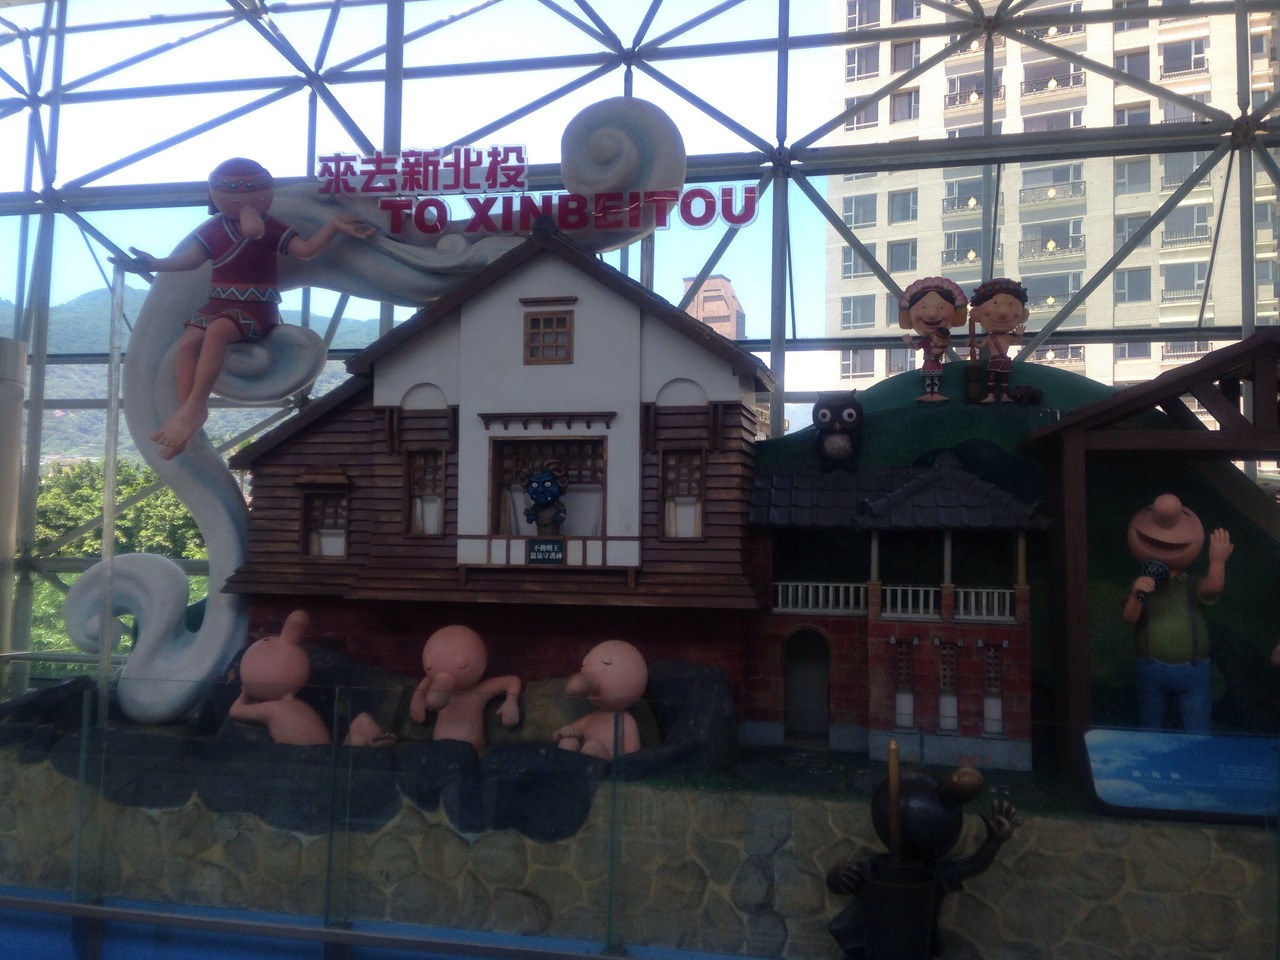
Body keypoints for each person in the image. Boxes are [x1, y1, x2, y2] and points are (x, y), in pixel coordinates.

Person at [114, 157, 375, 460]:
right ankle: (188, 413)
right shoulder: (216, 229)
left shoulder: (271, 227)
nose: (250, 207)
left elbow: (304, 251)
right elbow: (192, 260)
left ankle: (196, 405)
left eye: (259, 200)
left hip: (256, 307)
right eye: (238, 202)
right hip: (218, 302)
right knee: (188, 343)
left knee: (216, 332)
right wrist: (154, 263)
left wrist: (332, 226)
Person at [1121, 493, 1233, 733]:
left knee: (1197, 726)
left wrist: (1217, 561)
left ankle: (1198, 755)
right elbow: (1129, 617)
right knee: (1150, 724)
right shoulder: (1140, 585)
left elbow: (1213, 587)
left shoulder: (1189, 585)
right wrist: (1137, 593)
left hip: (1193, 670)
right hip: (1150, 668)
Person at [897, 276, 967, 403]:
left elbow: (939, 351)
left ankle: (936, 393)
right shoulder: (926, 342)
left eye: (941, 307)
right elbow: (916, 347)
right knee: (929, 379)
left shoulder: (941, 344)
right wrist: (909, 342)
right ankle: (929, 393)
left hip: (934, 363)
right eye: (923, 307)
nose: (932, 314)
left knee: (935, 379)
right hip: (929, 363)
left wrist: (939, 349)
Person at [969, 278, 1029, 404]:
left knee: (1004, 379)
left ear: (1023, 315)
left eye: (1010, 304)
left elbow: (1016, 343)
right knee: (991, 378)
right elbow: (980, 346)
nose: (1003, 312)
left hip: (1002, 360)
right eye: (995, 303)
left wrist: (1019, 335)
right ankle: (991, 395)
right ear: (976, 314)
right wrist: (972, 343)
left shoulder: (1006, 337)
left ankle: (1004, 395)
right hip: (995, 360)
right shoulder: (990, 338)